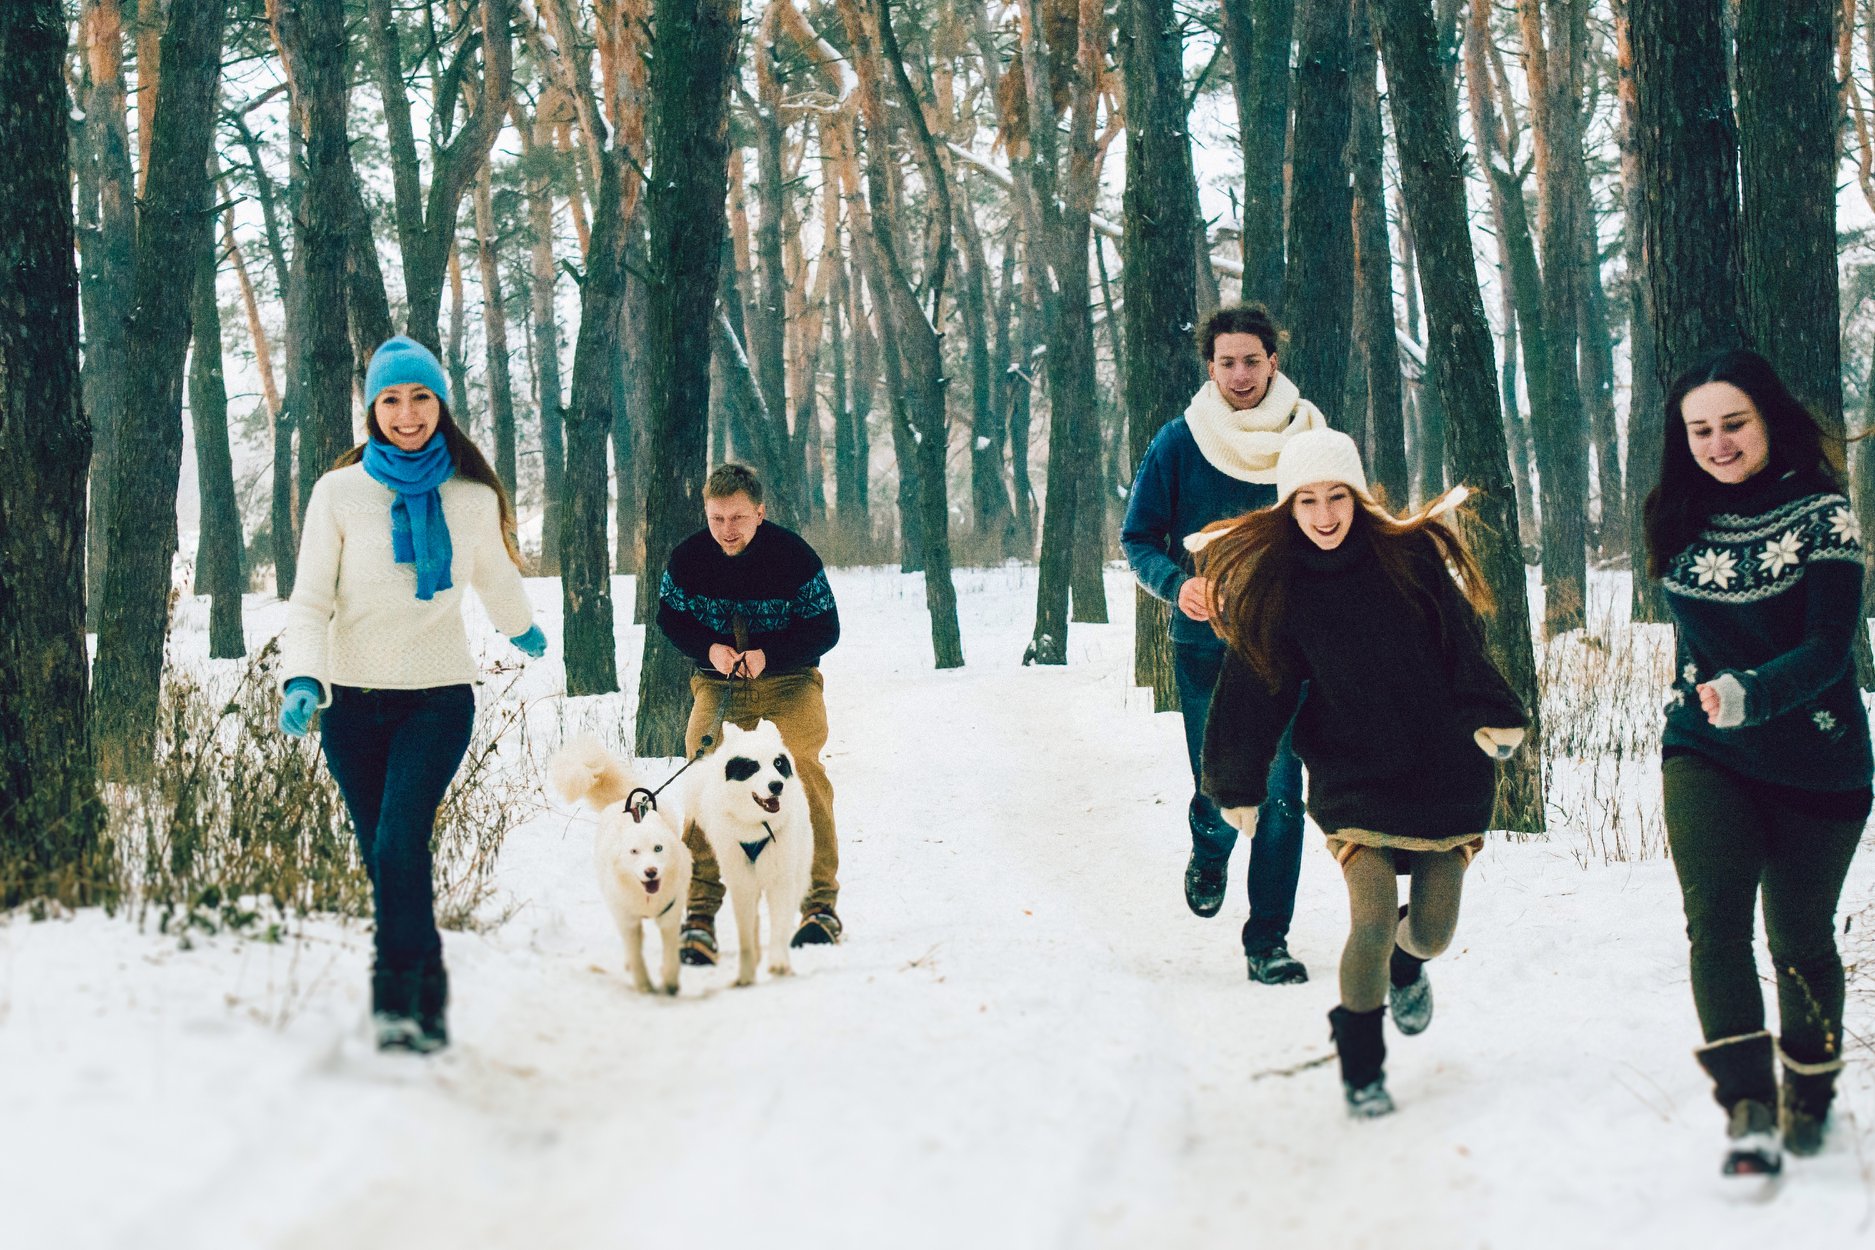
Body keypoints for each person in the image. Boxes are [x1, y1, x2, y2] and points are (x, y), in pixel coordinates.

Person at [1195, 428, 1526, 1117]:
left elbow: (1461, 643)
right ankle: (1362, 1069)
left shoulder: (1409, 558)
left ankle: (1408, 967)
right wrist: (1236, 783)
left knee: (1429, 932)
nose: (1322, 515)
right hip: (1352, 773)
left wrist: (1492, 711)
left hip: (1442, 770)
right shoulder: (1279, 585)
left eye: (1335, 497)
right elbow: (1256, 682)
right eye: (1306, 500)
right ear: (1287, 507)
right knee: (1371, 919)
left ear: (1358, 497)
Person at [278, 335, 546, 1053]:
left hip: (436, 699)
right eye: (391, 399)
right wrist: (302, 675)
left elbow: (493, 574)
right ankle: (426, 979)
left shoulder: (470, 497)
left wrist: (522, 630)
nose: (406, 412)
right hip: (351, 705)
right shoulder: (338, 493)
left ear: (441, 405)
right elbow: (309, 601)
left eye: (420, 397)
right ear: (372, 408)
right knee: (383, 856)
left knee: (399, 842)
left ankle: (395, 1003)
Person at [1643, 349, 1870, 1177]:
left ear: (1767, 418)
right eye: (1698, 429)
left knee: (1800, 939)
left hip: (1818, 756)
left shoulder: (1821, 513)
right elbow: (1696, 635)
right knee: (1715, 924)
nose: (1717, 443)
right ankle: (1745, 1106)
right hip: (1705, 749)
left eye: (1732, 423)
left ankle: (1807, 1090)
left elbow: (1827, 647)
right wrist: (1704, 697)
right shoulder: (1674, 512)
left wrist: (1751, 691)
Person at [1120, 303, 1321, 985]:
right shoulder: (1178, 442)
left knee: (1278, 794)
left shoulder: (1309, 440)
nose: (1240, 374)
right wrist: (1177, 585)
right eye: (1227, 362)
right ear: (1210, 366)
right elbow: (1138, 538)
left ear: (1274, 361)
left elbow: (1341, 527)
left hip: (1286, 645)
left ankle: (1267, 939)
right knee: (1218, 788)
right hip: (1205, 647)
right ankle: (1208, 848)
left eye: (1252, 360)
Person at [655, 463, 843, 963]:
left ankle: (820, 905)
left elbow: (826, 628)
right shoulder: (689, 558)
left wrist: (770, 656)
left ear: (760, 513)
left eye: (737, 517)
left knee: (800, 765)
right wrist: (711, 649)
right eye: (716, 518)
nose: (726, 529)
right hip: (718, 681)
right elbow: (668, 618)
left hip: (790, 678)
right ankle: (698, 916)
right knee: (705, 773)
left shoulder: (793, 557)